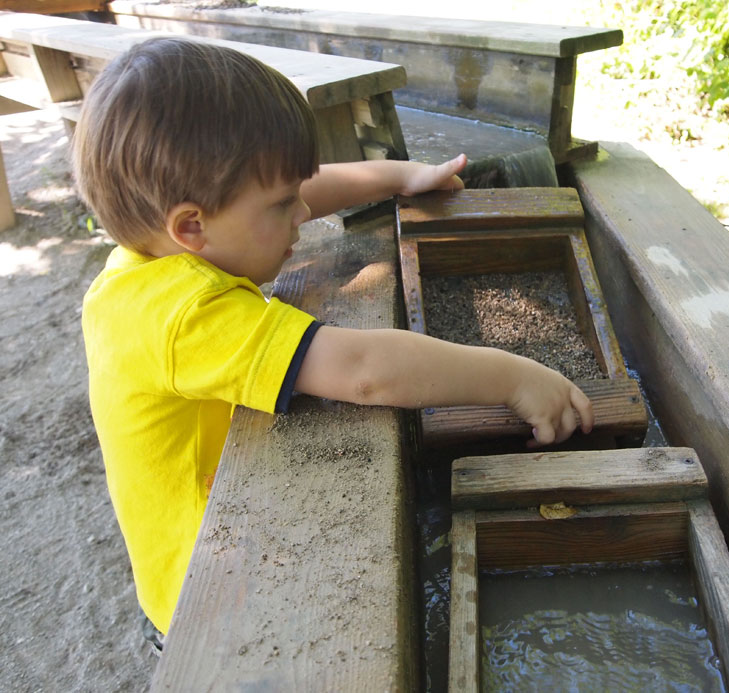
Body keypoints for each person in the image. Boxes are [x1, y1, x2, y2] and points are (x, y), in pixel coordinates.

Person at [74, 37, 594, 647]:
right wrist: (513, 378)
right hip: (214, 601)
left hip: (202, 561)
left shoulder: (150, 261)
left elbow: (299, 189)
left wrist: (400, 175)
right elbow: (365, 369)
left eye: (295, 194)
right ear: (191, 226)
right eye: (280, 206)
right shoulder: (187, 315)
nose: (301, 212)